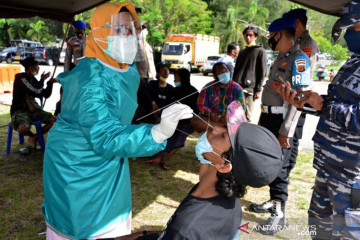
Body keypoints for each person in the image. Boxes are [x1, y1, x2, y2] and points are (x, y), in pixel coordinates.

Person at [42, 3, 193, 239]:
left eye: (131, 29)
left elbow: (121, 113)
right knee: (84, 222)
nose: (129, 36)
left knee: (112, 216)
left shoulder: (125, 69)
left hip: (110, 156)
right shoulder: (90, 80)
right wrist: (155, 134)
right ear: (101, 32)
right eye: (120, 29)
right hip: (77, 162)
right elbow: (106, 135)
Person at [115, 101, 283, 240]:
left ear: (223, 165)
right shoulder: (217, 196)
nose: (214, 129)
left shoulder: (187, 228)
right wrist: (140, 235)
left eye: (223, 136)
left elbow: (179, 233)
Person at [278, 1, 360, 239]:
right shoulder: (354, 60)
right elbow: (339, 101)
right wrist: (305, 102)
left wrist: (324, 105)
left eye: (354, 28)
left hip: (351, 173)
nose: (348, 35)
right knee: (319, 230)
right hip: (328, 165)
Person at [249, 17, 312, 235]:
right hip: (269, 118)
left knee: (279, 169)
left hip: (282, 121)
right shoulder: (281, 58)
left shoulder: (300, 59)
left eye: (271, 36)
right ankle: (273, 202)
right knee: (270, 165)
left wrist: (286, 130)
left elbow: (300, 99)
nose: (270, 41)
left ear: (280, 34)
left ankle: (279, 215)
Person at [282, 8, 320, 177]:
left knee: (292, 136)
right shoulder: (293, 40)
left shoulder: (307, 44)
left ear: (296, 23)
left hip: (299, 99)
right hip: (286, 97)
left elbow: (304, 77)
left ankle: (287, 169)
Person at [156, 68, 199, 170]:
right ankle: (159, 155)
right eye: (174, 78)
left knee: (180, 136)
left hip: (186, 122)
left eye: (176, 78)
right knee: (164, 133)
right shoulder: (174, 91)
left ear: (184, 78)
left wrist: (180, 122)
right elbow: (167, 106)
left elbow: (193, 111)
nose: (175, 80)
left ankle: (166, 159)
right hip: (172, 120)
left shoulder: (193, 92)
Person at [10, 56, 56, 149]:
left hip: (34, 111)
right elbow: (36, 91)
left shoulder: (34, 80)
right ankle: (33, 137)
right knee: (23, 129)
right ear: (31, 68)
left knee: (54, 120)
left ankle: (34, 137)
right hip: (20, 111)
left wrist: (50, 83)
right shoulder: (20, 77)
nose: (38, 68)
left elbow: (46, 94)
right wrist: (42, 79)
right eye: (37, 66)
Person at [196, 62, 246, 132]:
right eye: (221, 72)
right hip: (212, 120)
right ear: (214, 76)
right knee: (195, 120)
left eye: (226, 71)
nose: (225, 74)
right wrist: (210, 114)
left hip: (230, 120)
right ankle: (219, 129)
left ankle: (220, 129)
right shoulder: (207, 88)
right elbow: (200, 105)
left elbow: (241, 108)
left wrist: (228, 116)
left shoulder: (237, 88)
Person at [233, 26, 267, 123]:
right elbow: (236, 70)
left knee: (247, 117)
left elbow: (262, 72)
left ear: (255, 37)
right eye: (246, 35)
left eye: (250, 35)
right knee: (236, 115)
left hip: (249, 89)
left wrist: (258, 89)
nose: (248, 37)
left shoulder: (260, 51)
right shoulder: (242, 52)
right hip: (237, 87)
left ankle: (245, 137)